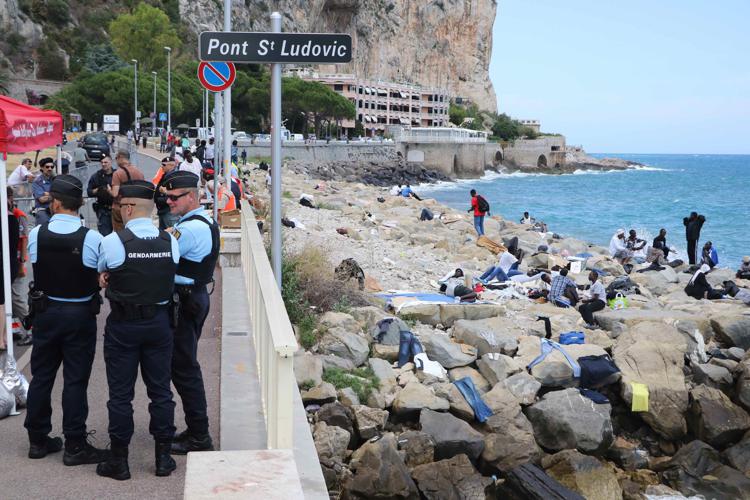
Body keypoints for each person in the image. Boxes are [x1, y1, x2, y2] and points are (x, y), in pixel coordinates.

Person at [95, 181, 180, 480]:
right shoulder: (171, 241)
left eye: (120, 206)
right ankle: (163, 458)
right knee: (161, 393)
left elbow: (103, 272)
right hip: (159, 324)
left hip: (123, 325)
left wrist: (105, 277)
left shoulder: (113, 242)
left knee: (120, 395)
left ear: (129, 207)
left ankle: (119, 462)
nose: (119, 210)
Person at [23, 174, 107, 465]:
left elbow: (35, 263)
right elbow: (100, 272)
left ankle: (37, 439)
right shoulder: (92, 238)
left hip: (46, 312)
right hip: (79, 314)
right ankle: (74, 443)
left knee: (42, 376)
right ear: (80, 203)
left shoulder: (37, 233)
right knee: (75, 380)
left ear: (56, 202)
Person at [163, 172, 220, 454]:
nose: (169, 201)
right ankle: (195, 430)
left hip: (184, 301)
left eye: (174, 197)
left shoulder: (188, 230)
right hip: (193, 297)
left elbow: (159, 254)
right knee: (184, 367)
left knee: (184, 369)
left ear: (192, 197)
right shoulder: (204, 220)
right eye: (167, 197)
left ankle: (199, 435)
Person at [9, 188, 32, 346]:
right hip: (9, 260)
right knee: (7, 297)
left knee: (17, 298)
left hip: (17, 260)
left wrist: (22, 262)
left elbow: (24, 239)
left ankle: (32, 330)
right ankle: (14, 328)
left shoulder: (18, 215)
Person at [0, 192, 20, 351]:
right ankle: (5, 337)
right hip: (11, 263)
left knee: (1, 302)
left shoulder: (7, 220)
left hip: (5, 263)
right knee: (5, 301)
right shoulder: (13, 218)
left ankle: (1, 339)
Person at [111, 151, 145, 232]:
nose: (116, 161)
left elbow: (115, 194)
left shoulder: (117, 173)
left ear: (120, 157)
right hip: (135, 207)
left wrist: (109, 190)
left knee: (120, 234)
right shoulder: (139, 172)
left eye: (116, 158)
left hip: (120, 208)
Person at [87, 155, 115, 236]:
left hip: (116, 210)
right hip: (103, 211)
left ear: (111, 162)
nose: (103, 164)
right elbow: (89, 192)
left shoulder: (117, 175)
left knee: (119, 237)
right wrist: (97, 190)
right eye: (102, 162)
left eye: (105, 162)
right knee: (105, 236)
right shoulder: (96, 176)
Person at [153, 157, 180, 230]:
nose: (162, 166)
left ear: (171, 165)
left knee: (172, 235)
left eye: (164, 165)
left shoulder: (174, 177)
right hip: (163, 210)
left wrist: (160, 200)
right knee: (163, 235)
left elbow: (176, 195)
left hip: (169, 211)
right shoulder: (166, 175)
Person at [31, 157, 55, 226]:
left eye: (52, 167)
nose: (50, 169)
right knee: (43, 232)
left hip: (55, 211)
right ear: (42, 168)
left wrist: (48, 194)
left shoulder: (55, 179)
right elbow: (42, 199)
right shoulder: (37, 181)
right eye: (47, 167)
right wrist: (55, 195)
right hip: (43, 211)